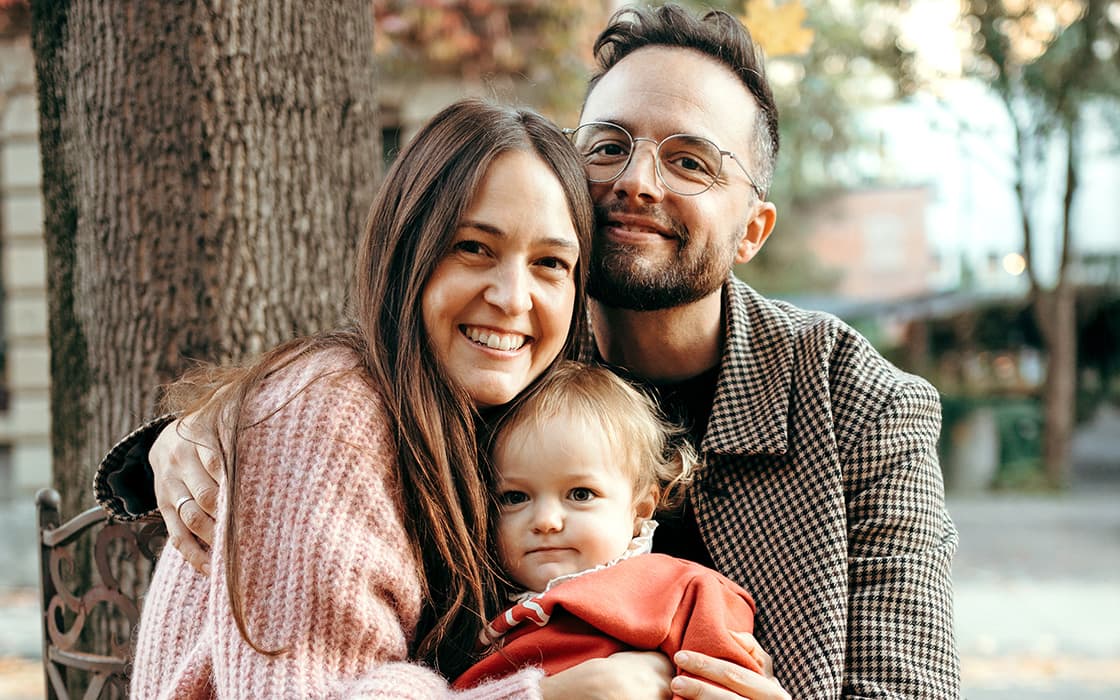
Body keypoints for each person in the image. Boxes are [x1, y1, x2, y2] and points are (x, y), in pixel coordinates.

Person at [99, 4, 959, 698]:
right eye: (609, 145)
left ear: (753, 230)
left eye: (691, 161)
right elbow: (352, 389)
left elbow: (911, 686)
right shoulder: (505, 354)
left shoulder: (859, 406)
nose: (637, 182)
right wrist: (188, 439)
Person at [115, 97, 761, 700]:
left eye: (550, 264)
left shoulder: (494, 423)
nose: (512, 297)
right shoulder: (327, 411)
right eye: (473, 248)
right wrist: (556, 692)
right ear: (408, 255)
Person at [453, 361, 763, 690]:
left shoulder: (677, 589)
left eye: (581, 494)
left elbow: (724, 684)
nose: (545, 520)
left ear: (640, 509)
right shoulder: (477, 610)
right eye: (515, 497)